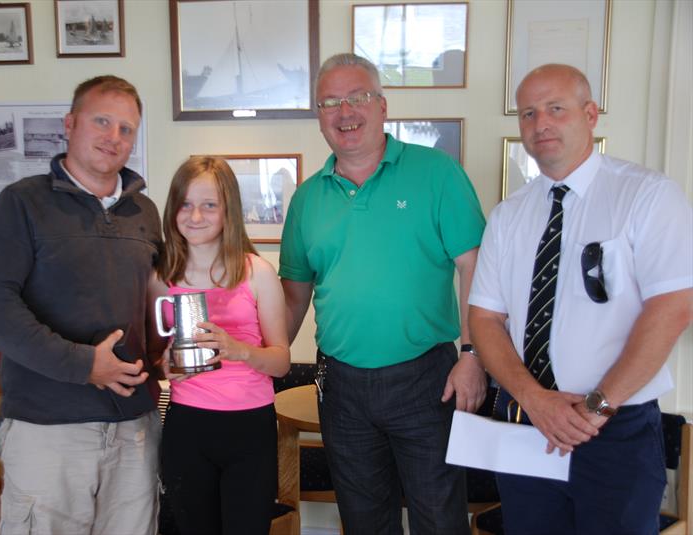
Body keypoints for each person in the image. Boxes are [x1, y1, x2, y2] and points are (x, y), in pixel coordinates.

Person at [468, 63, 693, 534]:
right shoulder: (509, 215)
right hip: (528, 425)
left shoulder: (647, 196)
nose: (540, 124)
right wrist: (534, 400)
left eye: (556, 109)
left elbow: (672, 307)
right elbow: (485, 318)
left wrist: (596, 408)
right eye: (528, 114)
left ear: (590, 114)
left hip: (616, 430)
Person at [279, 53, 487, 535]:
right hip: (342, 388)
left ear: (383, 106)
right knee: (363, 522)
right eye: (330, 102)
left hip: (427, 380)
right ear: (318, 115)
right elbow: (293, 299)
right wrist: (263, 360)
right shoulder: (307, 199)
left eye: (358, 97)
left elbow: (477, 269)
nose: (345, 112)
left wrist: (473, 354)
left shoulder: (437, 174)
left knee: (440, 519)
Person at [0, 75, 164, 535]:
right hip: (47, 428)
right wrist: (84, 365)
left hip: (134, 426)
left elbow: (159, 303)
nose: (113, 137)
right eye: (102, 121)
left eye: (126, 129)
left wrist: (170, 353)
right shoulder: (21, 204)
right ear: (70, 123)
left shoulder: (147, 213)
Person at [153, 156, 290, 535]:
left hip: (250, 428)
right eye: (185, 204)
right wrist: (162, 363)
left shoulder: (257, 272)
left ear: (228, 210)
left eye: (209, 205)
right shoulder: (162, 277)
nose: (195, 215)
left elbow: (280, 362)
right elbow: (151, 358)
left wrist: (239, 350)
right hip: (187, 426)